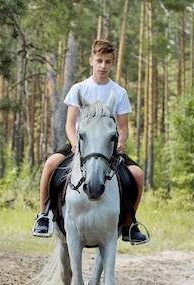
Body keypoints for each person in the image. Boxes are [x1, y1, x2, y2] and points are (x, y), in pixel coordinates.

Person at [32, 39, 148, 244]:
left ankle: (129, 224)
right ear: (91, 61)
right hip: (81, 144)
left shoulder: (119, 93)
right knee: (50, 164)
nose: (103, 66)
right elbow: (70, 124)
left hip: (108, 147)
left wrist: (121, 142)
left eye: (107, 62)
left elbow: (123, 127)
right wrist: (74, 143)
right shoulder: (79, 89)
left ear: (112, 63)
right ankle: (43, 216)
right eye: (99, 61)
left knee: (137, 175)